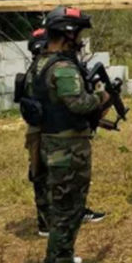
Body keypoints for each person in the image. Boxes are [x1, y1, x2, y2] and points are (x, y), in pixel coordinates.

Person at [34, 7, 107, 263]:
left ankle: (56, 259)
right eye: (78, 33)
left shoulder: (41, 62)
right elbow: (78, 104)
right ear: (67, 33)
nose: (80, 38)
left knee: (60, 207)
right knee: (69, 209)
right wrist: (100, 96)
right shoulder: (63, 67)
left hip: (51, 142)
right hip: (68, 148)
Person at [19, 28, 105, 240]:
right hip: (51, 132)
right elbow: (75, 103)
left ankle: (50, 220)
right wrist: (99, 98)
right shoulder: (50, 68)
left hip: (43, 129)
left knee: (46, 176)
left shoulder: (37, 69)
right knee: (49, 178)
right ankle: (51, 221)